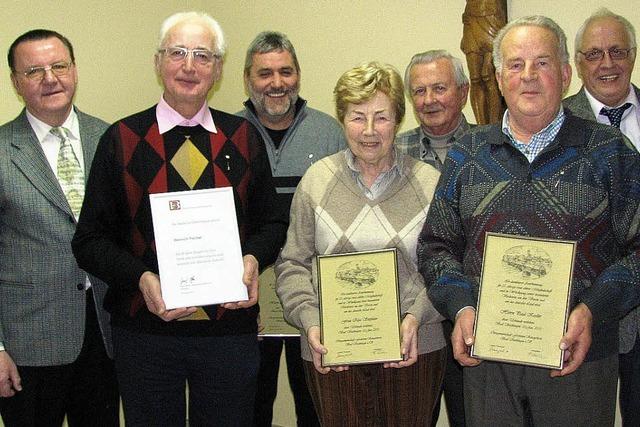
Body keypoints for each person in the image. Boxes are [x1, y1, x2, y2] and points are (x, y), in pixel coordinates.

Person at [418, 15, 640, 426]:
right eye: (516, 65)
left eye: (542, 62)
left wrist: (592, 310)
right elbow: (436, 247)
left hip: (579, 359)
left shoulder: (611, 151)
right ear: (500, 78)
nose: (529, 76)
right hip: (488, 361)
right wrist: (462, 306)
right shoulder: (468, 154)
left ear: (565, 73)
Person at [71, 12, 287, 426]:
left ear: (219, 69)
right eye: (178, 53)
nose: (189, 66)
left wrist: (253, 259)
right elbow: (90, 240)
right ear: (158, 62)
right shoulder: (120, 139)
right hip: (145, 335)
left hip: (228, 333)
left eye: (202, 55)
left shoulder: (243, 138)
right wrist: (141, 278)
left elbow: (273, 224)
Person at [275, 62, 446, 426]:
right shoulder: (317, 181)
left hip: (414, 350)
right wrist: (310, 321)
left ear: (398, 120)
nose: (369, 131)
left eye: (381, 117)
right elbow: (292, 264)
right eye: (357, 117)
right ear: (342, 119)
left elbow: (448, 267)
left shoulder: (429, 183)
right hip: (332, 354)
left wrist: (417, 317)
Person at [0, 29, 119, 426]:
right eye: (34, 70)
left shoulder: (110, 138)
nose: (50, 78)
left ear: (75, 70)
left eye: (59, 65)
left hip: (105, 335)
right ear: (16, 83)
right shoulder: (2, 150)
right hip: (26, 345)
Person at [238, 30, 345, 427]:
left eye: (286, 71)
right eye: (265, 73)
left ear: (298, 74)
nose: (277, 83)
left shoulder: (332, 133)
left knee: (316, 408)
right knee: (251, 406)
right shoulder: (227, 134)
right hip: (249, 299)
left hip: (315, 300)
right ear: (247, 78)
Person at [563, 8, 640, 425]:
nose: (607, 64)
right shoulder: (553, 125)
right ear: (576, 64)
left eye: (617, 51)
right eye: (593, 54)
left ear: (633, 55)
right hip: (586, 318)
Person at [397, 49, 469, 427]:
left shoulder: (491, 149)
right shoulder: (391, 153)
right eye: (419, 91)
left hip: (469, 316)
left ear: (464, 92)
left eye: (439, 88)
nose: (428, 100)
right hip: (412, 318)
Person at [461, 0, 507, 124]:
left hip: (491, 17)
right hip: (471, 18)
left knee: (489, 76)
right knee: (475, 78)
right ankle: (481, 125)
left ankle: (493, 124)